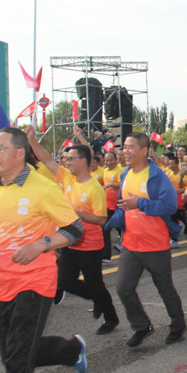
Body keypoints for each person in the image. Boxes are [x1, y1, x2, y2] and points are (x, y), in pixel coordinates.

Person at [0, 127, 88, 373]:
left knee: (19, 362)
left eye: (0, 149)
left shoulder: (43, 188)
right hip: (0, 282)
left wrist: (41, 245)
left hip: (35, 281)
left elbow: (74, 228)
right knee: (13, 355)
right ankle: (70, 351)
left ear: (20, 153)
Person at [27, 125, 119, 335]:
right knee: (64, 281)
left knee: (95, 284)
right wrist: (32, 140)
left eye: (71, 159)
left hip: (90, 245)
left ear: (83, 161)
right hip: (69, 241)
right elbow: (46, 159)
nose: (66, 162)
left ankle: (111, 318)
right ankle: (98, 299)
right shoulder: (66, 177)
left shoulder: (94, 188)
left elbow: (101, 219)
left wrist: (76, 213)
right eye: (66, 159)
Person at [116, 132, 187, 348]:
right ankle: (142, 326)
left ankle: (178, 325)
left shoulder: (157, 176)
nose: (125, 151)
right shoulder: (126, 173)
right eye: (124, 147)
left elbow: (170, 206)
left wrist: (140, 203)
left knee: (164, 288)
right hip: (131, 244)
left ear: (144, 150)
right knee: (123, 287)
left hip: (155, 245)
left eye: (130, 147)